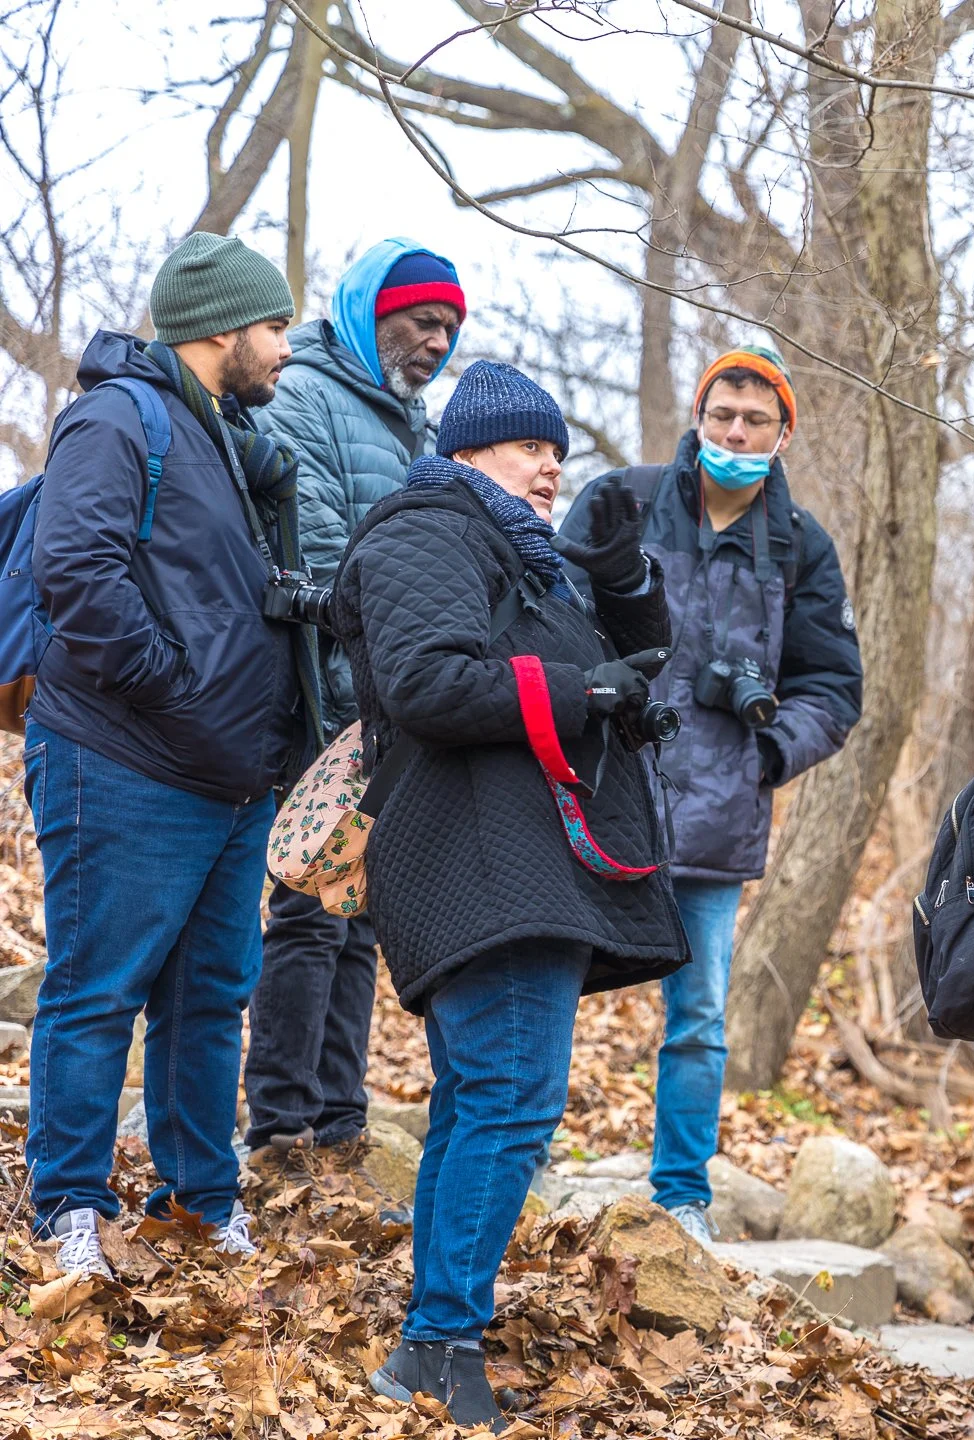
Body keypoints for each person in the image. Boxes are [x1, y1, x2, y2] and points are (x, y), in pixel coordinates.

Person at [333, 362, 687, 1430]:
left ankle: (436, 1343)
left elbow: (633, 663)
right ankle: (437, 1345)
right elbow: (427, 681)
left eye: (559, 452)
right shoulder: (425, 530)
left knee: (486, 1103)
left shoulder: (519, 557)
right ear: (468, 451)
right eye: (531, 447)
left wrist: (618, 578)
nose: (550, 467)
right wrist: (583, 694)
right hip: (481, 861)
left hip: (518, 860)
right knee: (508, 1102)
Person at [26, 233, 322, 1274]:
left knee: (207, 1001)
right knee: (99, 987)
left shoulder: (228, 438)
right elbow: (79, 569)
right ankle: (67, 1207)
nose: (287, 348)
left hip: (230, 778)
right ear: (219, 327)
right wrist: (173, 687)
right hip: (122, 756)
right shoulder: (119, 416)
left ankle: (201, 1202)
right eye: (277, 326)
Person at [560, 343, 860, 1245]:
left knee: (697, 1017)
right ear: (699, 415)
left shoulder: (800, 544)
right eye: (722, 415)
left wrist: (764, 754)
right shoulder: (623, 499)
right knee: (544, 981)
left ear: (782, 432)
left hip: (718, 810)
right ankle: (523, 1154)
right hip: (599, 786)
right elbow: (551, 609)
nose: (735, 432)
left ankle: (682, 1196)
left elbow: (834, 688)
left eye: (755, 420)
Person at [245, 240, 464, 1181]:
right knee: (306, 909)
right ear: (373, 311)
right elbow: (325, 548)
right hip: (315, 698)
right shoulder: (308, 395)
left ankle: (339, 1117)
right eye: (422, 321)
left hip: (381, 710)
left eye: (449, 329)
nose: (436, 342)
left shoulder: (414, 420)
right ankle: (280, 1123)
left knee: (360, 915)